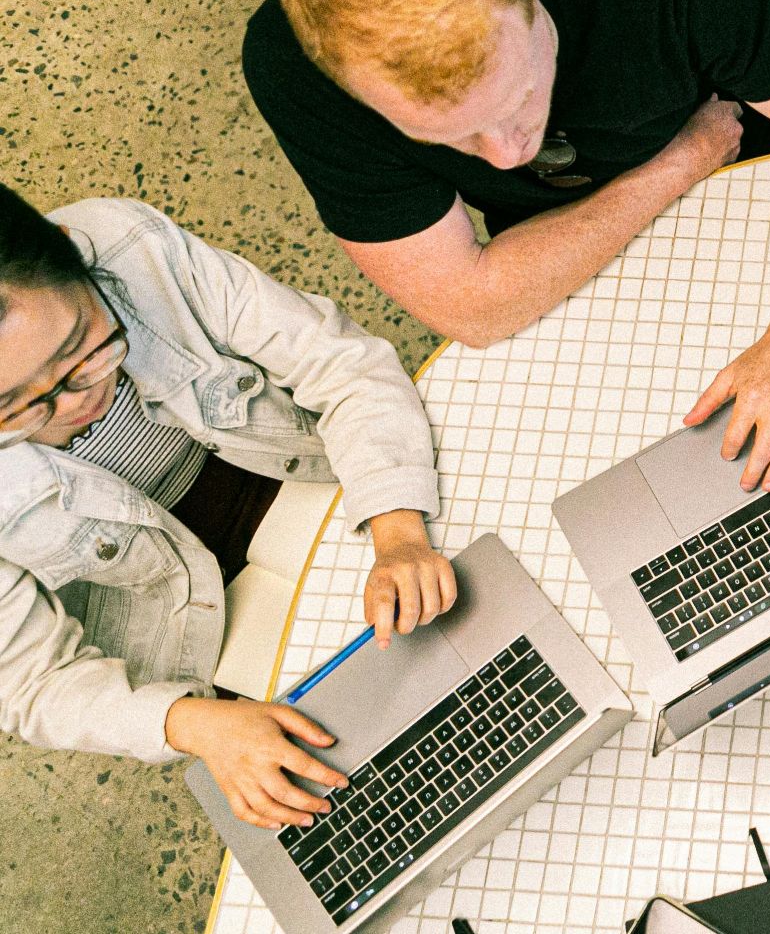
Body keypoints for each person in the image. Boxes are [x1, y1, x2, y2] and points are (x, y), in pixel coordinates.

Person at [243, 0, 770, 492]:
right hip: (590, 235)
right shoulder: (294, 66)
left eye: (520, 97)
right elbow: (471, 308)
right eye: (452, 136)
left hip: (746, 186)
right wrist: (680, 162)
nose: (506, 157)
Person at [0, 185, 458, 832]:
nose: (75, 403)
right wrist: (191, 722)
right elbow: (27, 682)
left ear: (74, 253)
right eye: (14, 407)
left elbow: (341, 364)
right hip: (171, 626)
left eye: (80, 350)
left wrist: (397, 528)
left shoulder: (129, 245)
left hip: (292, 474)